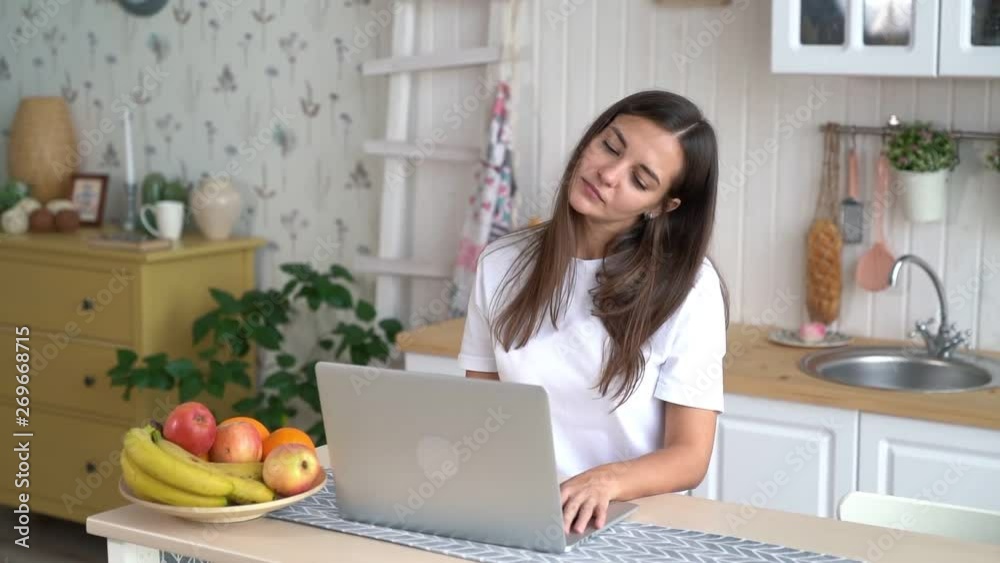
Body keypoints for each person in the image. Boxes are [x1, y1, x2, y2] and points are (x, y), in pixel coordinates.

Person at [457, 89, 729, 537]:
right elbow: (481, 414)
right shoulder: (501, 263)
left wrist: (605, 481)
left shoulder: (690, 289)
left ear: (662, 206)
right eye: (610, 146)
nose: (607, 174)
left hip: (636, 522)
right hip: (523, 514)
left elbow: (689, 456)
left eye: (639, 180)